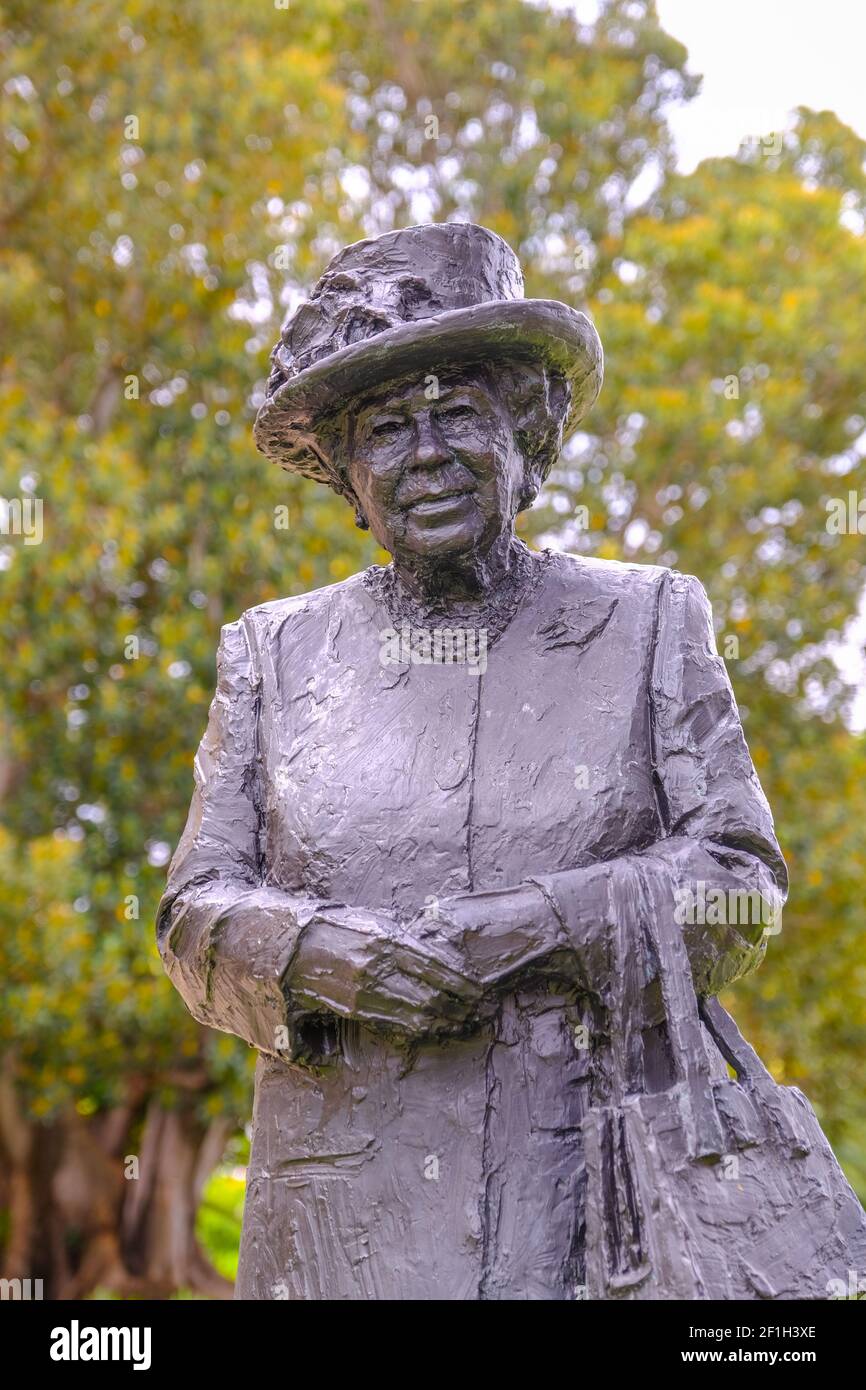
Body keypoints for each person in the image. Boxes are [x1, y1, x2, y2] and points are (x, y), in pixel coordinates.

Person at [157, 223, 838, 1300]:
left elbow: (739, 887)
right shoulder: (273, 652)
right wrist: (325, 955)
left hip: (589, 1206)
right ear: (346, 473)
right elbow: (193, 911)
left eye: (458, 413)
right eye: (384, 428)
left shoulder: (647, 618)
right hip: (339, 1227)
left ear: (526, 432)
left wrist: (546, 924)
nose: (425, 453)